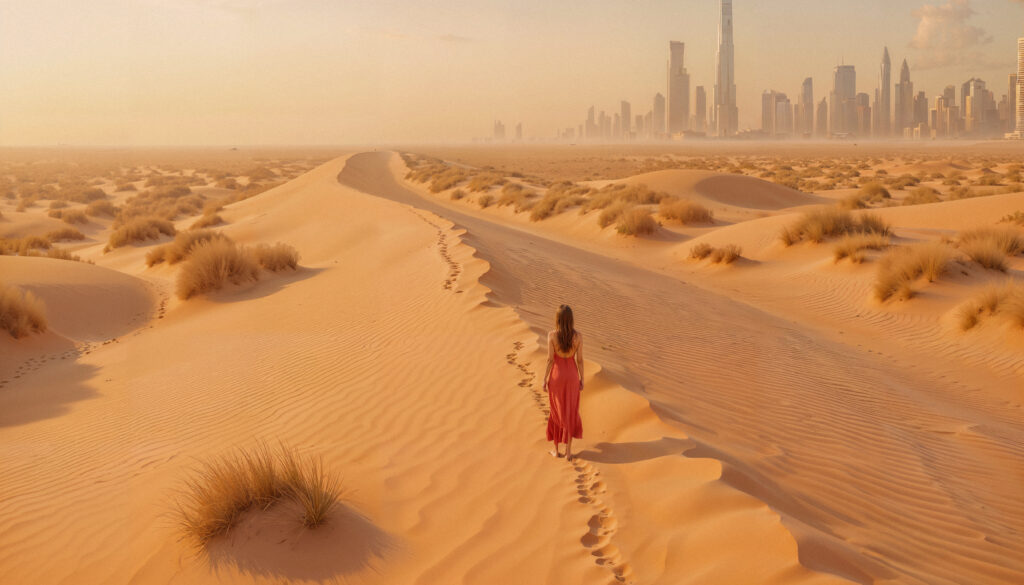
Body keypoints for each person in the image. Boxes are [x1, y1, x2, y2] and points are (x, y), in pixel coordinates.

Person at [543, 304, 584, 461]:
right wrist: (582, 379)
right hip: (572, 375)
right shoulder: (578, 336)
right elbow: (579, 360)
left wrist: (544, 379)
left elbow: (550, 359)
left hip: (557, 376)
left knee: (556, 410)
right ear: (571, 319)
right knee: (570, 411)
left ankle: (555, 449)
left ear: (557, 319)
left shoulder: (552, 335)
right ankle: (568, 452)